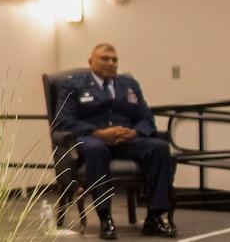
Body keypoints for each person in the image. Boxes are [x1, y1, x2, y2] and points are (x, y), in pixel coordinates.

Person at [56, 43, 176, 239]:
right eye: (105, 59)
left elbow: (146, 118)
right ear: (90, 61)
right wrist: (98, 132)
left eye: (115, 60)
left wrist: (134, 132)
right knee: (97, 150)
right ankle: (105, 218)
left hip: (127, 141)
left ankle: (154, 217)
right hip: (94, 140)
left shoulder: (129, 85)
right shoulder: (74, 85)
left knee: (159, 148)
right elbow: (64, 121)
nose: (111, 63)